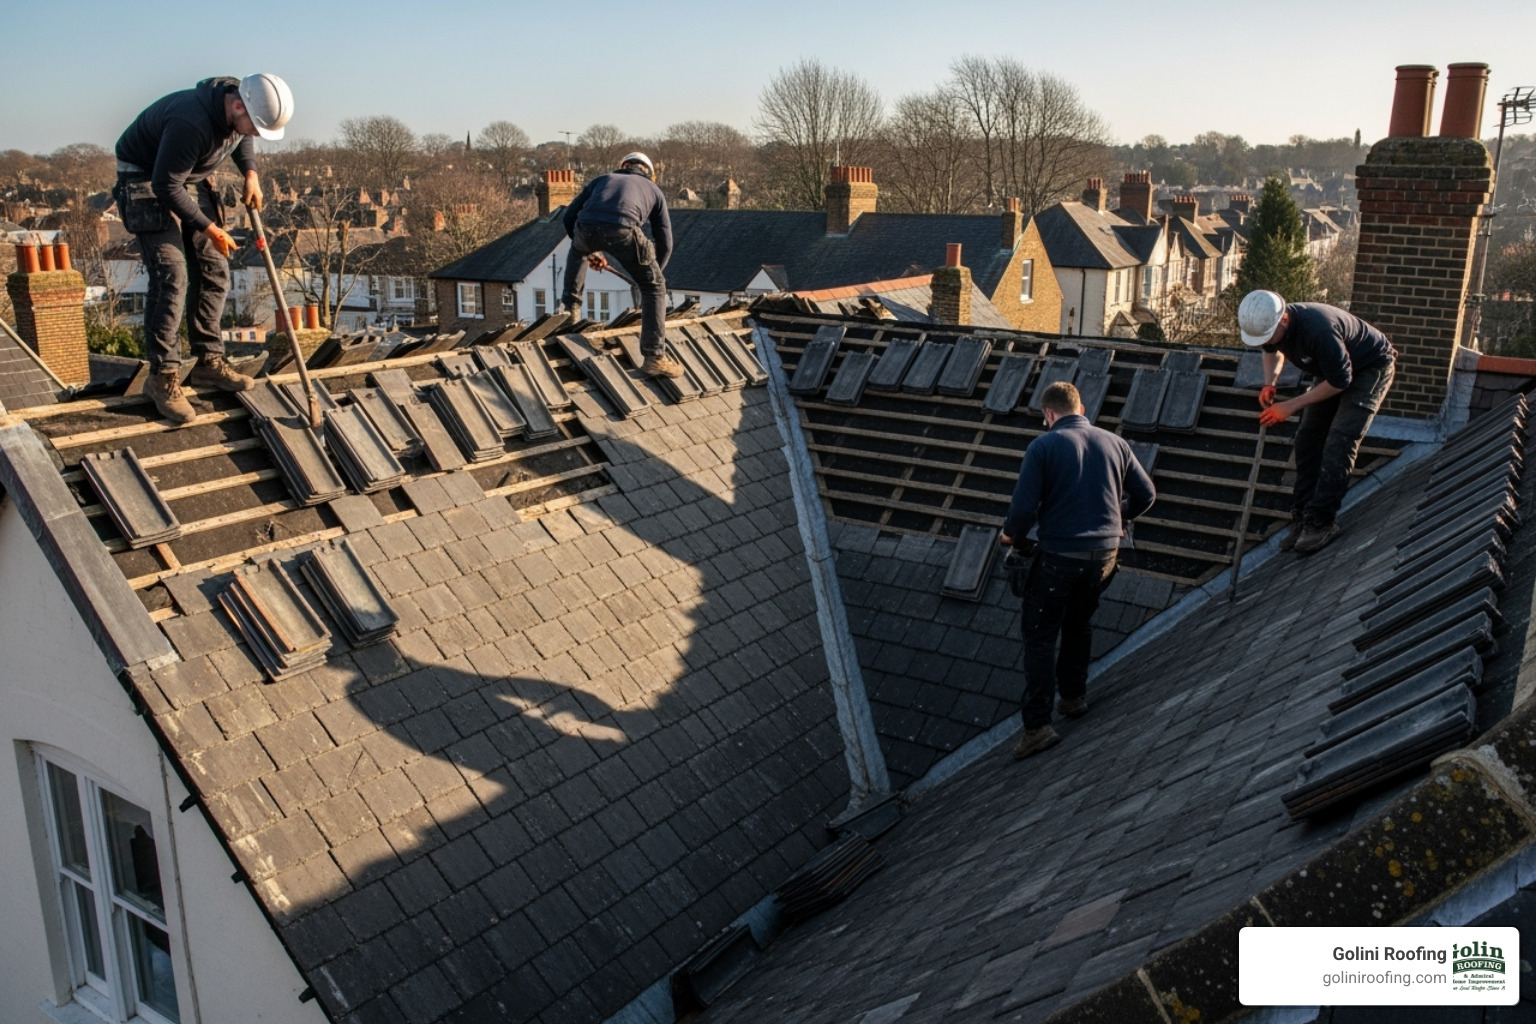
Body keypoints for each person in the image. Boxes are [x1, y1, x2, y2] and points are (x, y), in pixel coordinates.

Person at [114, 74, 294, 425]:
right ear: (237, 105)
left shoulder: (238, 108)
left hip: (186, 177)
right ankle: (163, 377)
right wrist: (210, 229)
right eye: (256, 127)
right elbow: (166, 185)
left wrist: (251, 173)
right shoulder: (190, 123)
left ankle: (208, 363)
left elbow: (242, 136)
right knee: (171, 275)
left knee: (214, 269)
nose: (256, 135)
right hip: (146, 178)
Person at [1000, 381, 1156, 759]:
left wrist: (1010, 536)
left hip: (1060, 556)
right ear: (1082, 409)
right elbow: (1147, 494)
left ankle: (1037, 727)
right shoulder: (1115, 442)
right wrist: (1118, 518)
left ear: (1048, 414)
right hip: (1105, 556)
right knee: (1078, 622)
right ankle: (1073, 698)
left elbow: (1023, 509)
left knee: (1039, 635)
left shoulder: (1043, 447)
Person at [1240, 290, 1396, 554]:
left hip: (1369, 368)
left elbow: (1340, 382)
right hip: (1332, 370)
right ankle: (1302, 515)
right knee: (1307, 440)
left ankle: (1321, 521)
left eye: (1269, 336)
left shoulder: (1318, 330)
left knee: (1339, 441)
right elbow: (1271, 350)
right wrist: (1270, 383)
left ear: (1284, 320)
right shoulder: (1268, 323)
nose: (1266, 341)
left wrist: (1290, 405)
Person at [559, 152, 684, 379]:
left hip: (585, 229)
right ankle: (655, 357)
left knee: (577, 252)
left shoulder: (601, 180)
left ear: (624, 166)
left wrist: (589, 250)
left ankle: (568, 322)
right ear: (649, 173)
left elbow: (569, 218)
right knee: (655, 287)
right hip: (623, 228)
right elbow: (665, 242)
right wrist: (652, 276)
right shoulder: (653, 190)